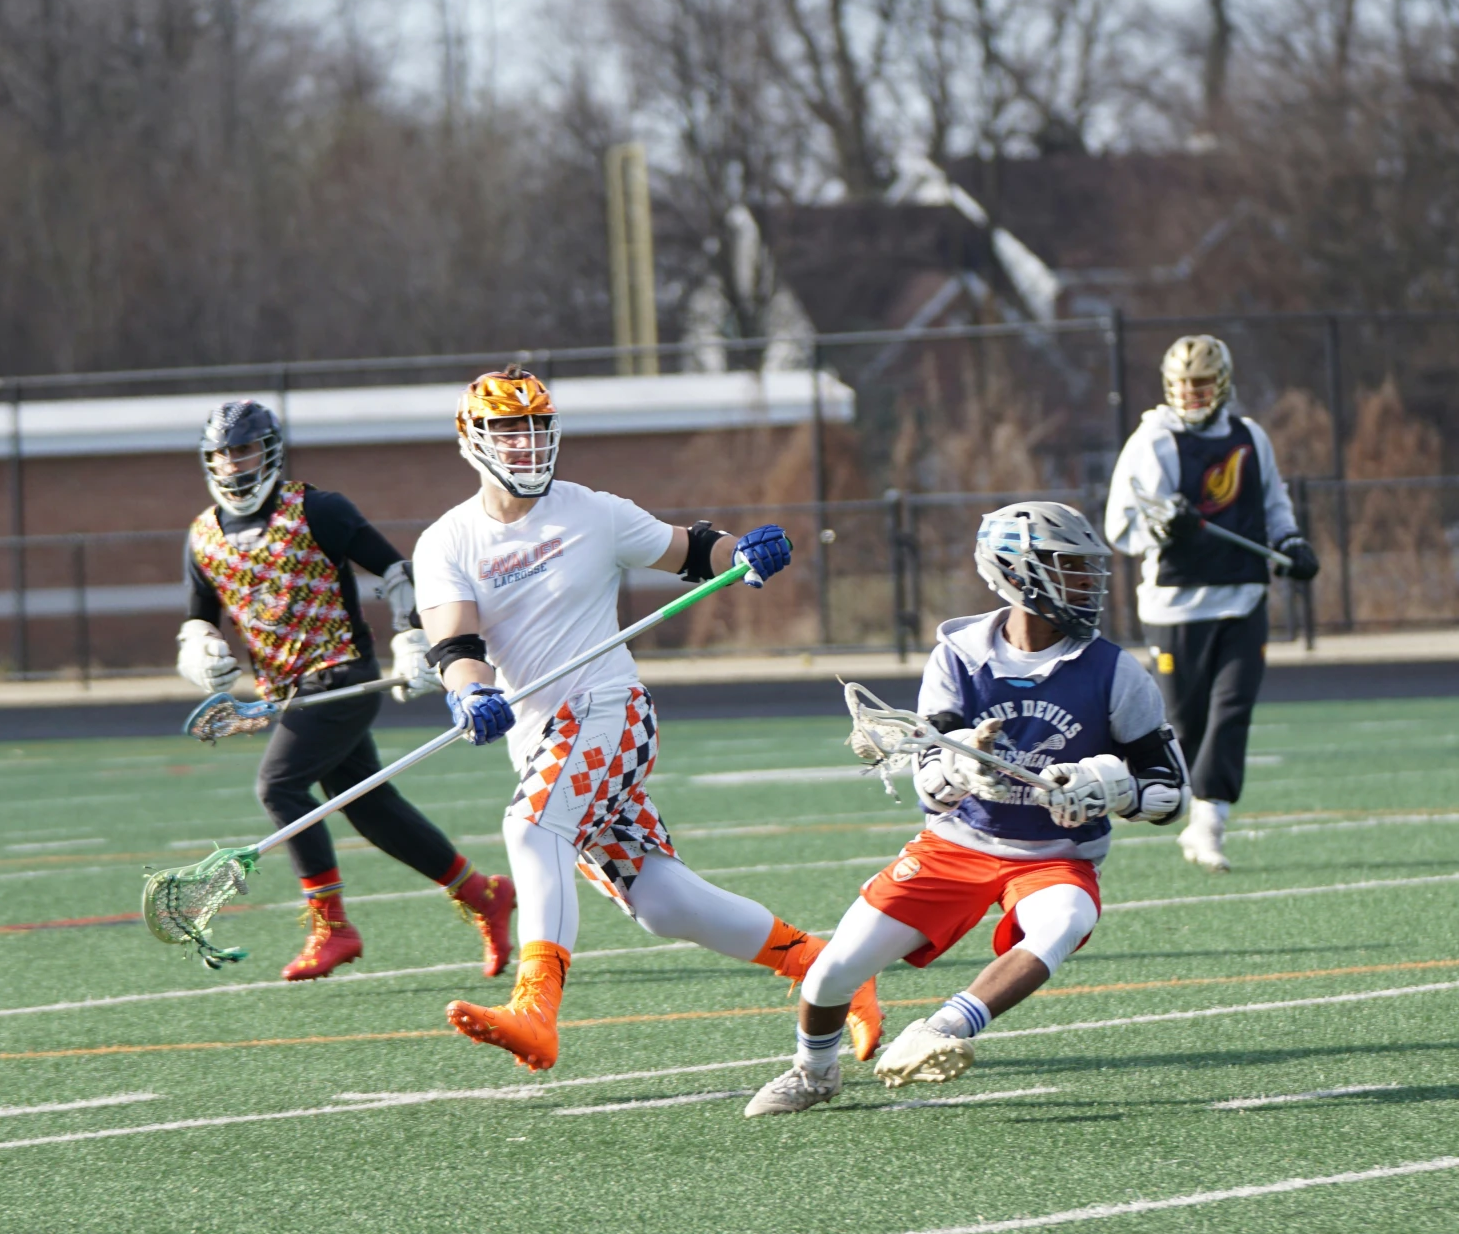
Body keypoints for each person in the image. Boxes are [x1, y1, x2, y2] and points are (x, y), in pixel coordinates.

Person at [411, 365, 882, 1073]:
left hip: (609, 711)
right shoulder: (447, 541)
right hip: (541, 740)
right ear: (471, 438)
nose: (526, 445)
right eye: (509, 431)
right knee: (663, 903)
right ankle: (832, 968)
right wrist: (470, 692)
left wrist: (746, 554)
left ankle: (535, 1011)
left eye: (537, 428)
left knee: (531, 826)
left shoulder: (593, 512)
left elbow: (696, 552)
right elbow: (456, 644)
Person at [743, 501, 1189, 1116]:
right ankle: (814, 1072)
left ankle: (943, 1028)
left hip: (1054, 856)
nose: (1087, 584)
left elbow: (1172, 791)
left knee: (1061, 922)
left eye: (1088, 570)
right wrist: (960, 767)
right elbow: (930, 781)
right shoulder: (959, 653)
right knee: (830, 974)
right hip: (956, 843)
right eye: (1069, 568)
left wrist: (1114, 789)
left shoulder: (1114, 671)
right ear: (1016, 572)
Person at [176, 398, 515, 981]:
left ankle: (332, 926)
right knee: (369, 805)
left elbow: (395, 571)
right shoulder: (203, 535)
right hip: (288, 690)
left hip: (342, 677)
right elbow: (199, 618)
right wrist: (200, 654)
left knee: (279, 786)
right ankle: (482, 893)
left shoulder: (316, 509)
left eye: (245, 449)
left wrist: (413, 638)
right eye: (223, 453)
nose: (234, 464)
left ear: (270, 451)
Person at [1104, 335, 1317, 873]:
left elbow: (1273, 503)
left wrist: (1290, 544)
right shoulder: (1152, 440)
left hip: (1243, 597)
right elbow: (1120, 528)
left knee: (1232, 711)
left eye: (1200, 384)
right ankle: (1191, 815)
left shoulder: (1249, 438)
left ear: (1221, 383)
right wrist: (1162, 525)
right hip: (1175, 605)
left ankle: (1211, 823)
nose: (1191, 395)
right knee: (1187, 723)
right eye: (1181, 385)